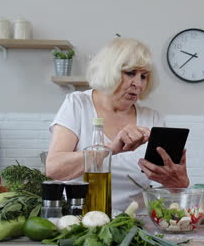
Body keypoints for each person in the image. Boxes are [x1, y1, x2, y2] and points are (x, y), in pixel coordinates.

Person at [46, 38, 189, 212]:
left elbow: (173, 192)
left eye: (143, 76)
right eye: (130, 73)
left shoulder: (152, 119)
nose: (138, 83)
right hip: (80, 220)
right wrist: (109, 150)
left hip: (134, 224)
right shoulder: (78, 104)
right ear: (110, 71)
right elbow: (54, 168)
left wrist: (179, 183)